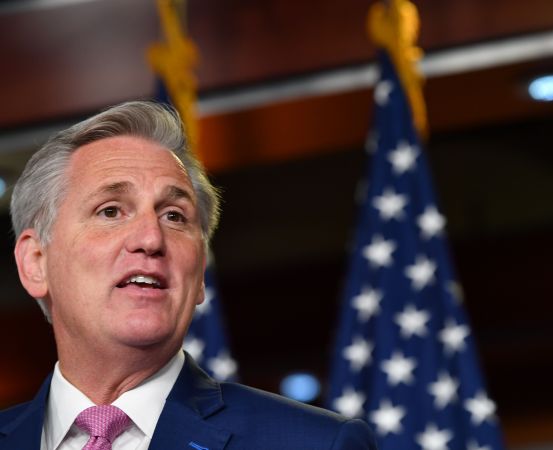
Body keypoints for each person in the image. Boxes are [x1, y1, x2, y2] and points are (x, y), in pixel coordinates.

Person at [0, 101, 377, 450]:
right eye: (111, 211)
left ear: (199, 276)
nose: (151, 239)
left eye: (174, 216)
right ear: (35, 262)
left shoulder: (316, 444)